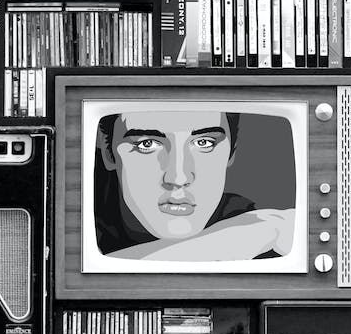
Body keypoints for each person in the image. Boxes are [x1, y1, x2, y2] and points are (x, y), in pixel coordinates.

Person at [93, 108, 295, 261]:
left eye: (204, 143)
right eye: (147, 144)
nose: (178, 178)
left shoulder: (244, 217)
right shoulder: (258, 230)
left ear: (231, 151)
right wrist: (235, 239)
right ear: (108, 152)